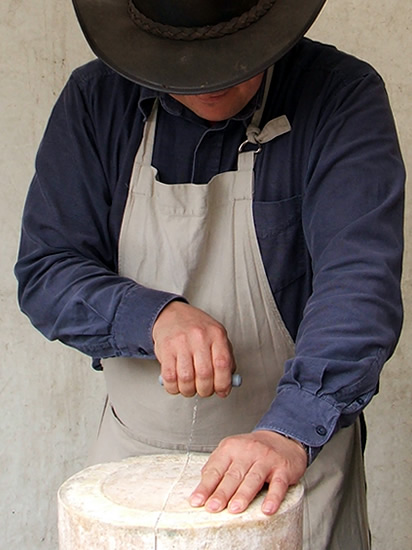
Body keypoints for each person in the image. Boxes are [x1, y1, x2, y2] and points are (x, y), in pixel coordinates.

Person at [15, 1, 405, 548]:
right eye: (182, 61)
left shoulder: (341, 94)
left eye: (229, 58)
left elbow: (359, 283)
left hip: (295, 466)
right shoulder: (95, 101)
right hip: (135, 465)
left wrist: (289, 430)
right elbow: (46, 270)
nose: (207, 82)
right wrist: (152, 316)